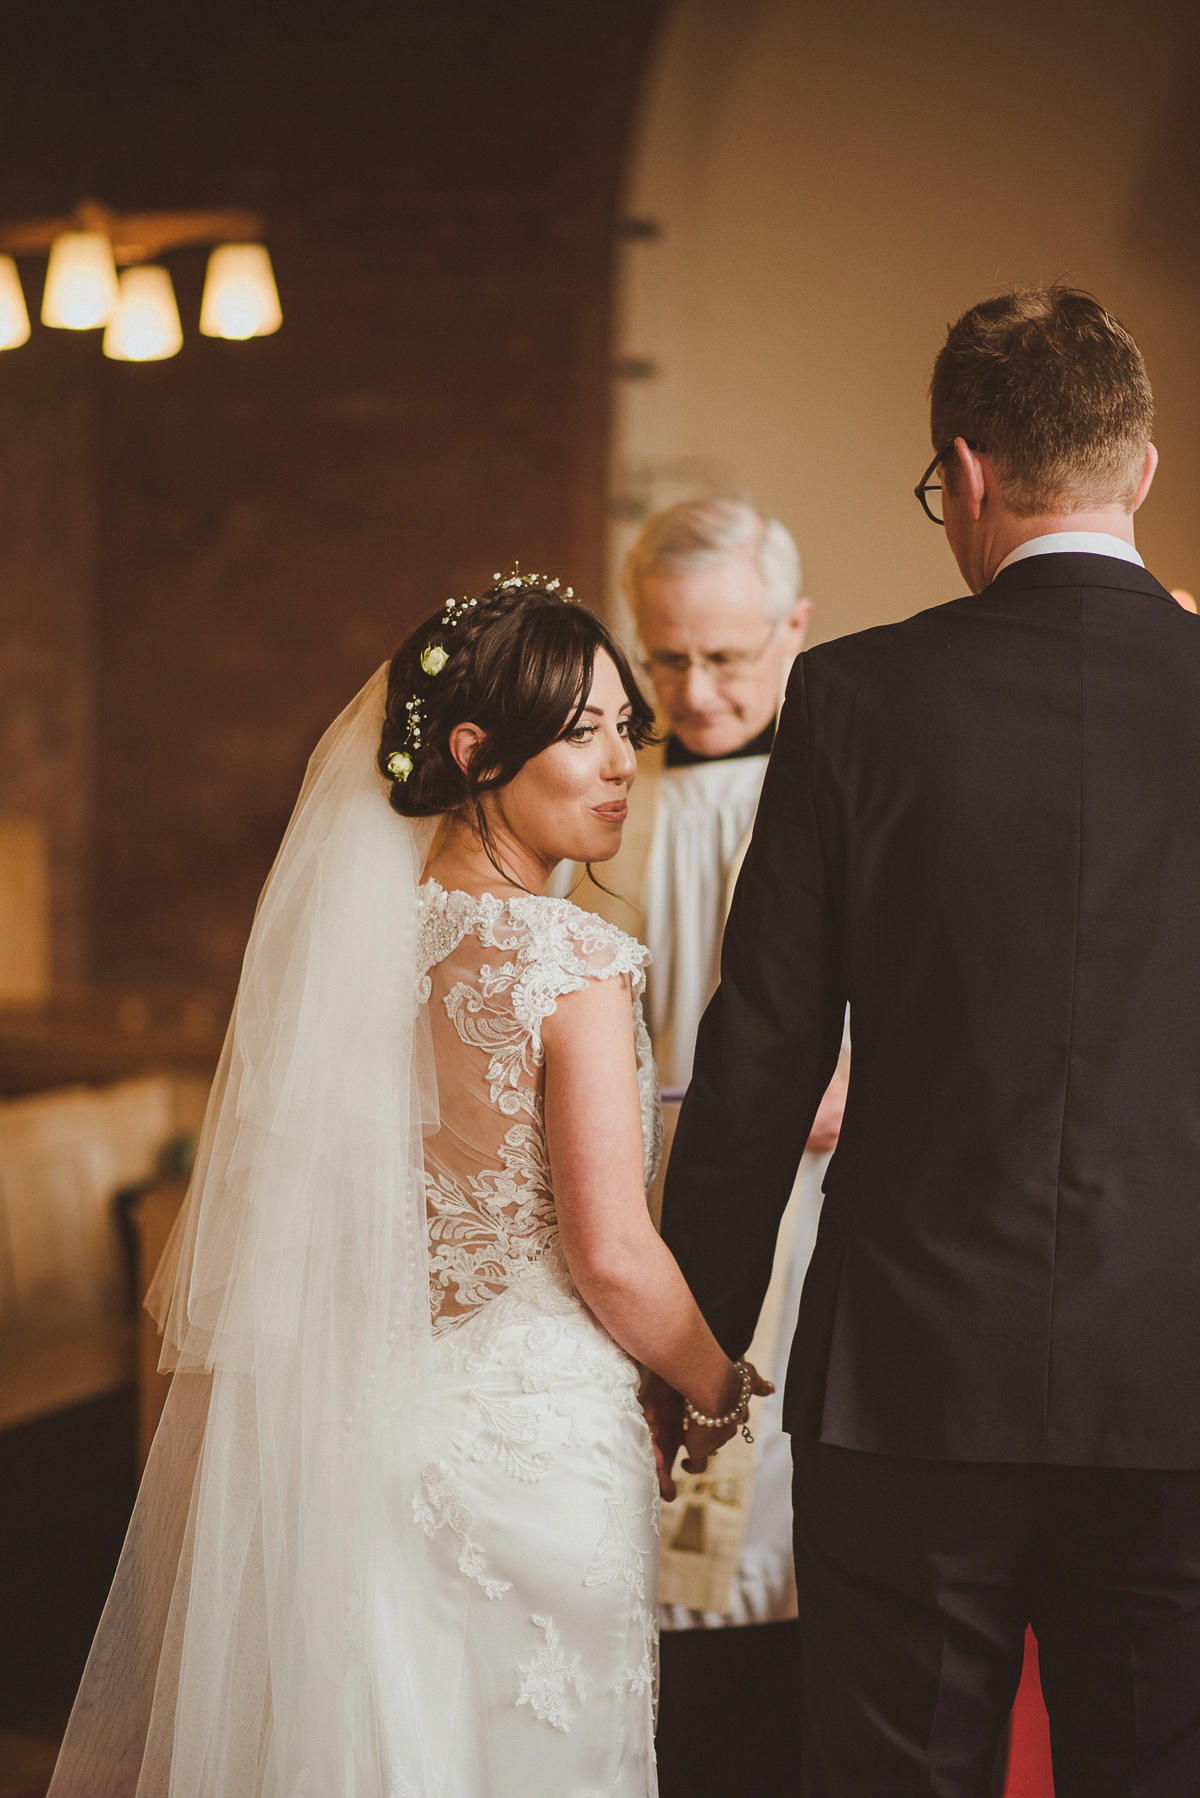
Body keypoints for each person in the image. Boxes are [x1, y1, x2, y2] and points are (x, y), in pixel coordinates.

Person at [48, 575, 770, 1798]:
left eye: (621, 731)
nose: (617, 765)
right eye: (580, 731)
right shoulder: (574, 960)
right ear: (478, 749)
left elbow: (383, 1185)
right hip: (530, 1456)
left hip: (360, 1429)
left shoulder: (353, 943)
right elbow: (610, 1252)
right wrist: (713, 1384)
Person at [657, 287, 1200, 1795]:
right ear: (1141, 470)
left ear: (963, 474)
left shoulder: (858, 696)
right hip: (1179, 1383)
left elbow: (758, 1048)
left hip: (907, 1386)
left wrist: (690, 1349)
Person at [558, 498, 846, 1795]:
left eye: (727, 656)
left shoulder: (842, 791)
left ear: (794, 630)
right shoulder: (612, 804)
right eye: (666, 658)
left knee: (766, 1531)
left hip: (800, 1210)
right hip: (624, 1195)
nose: (696, 689)